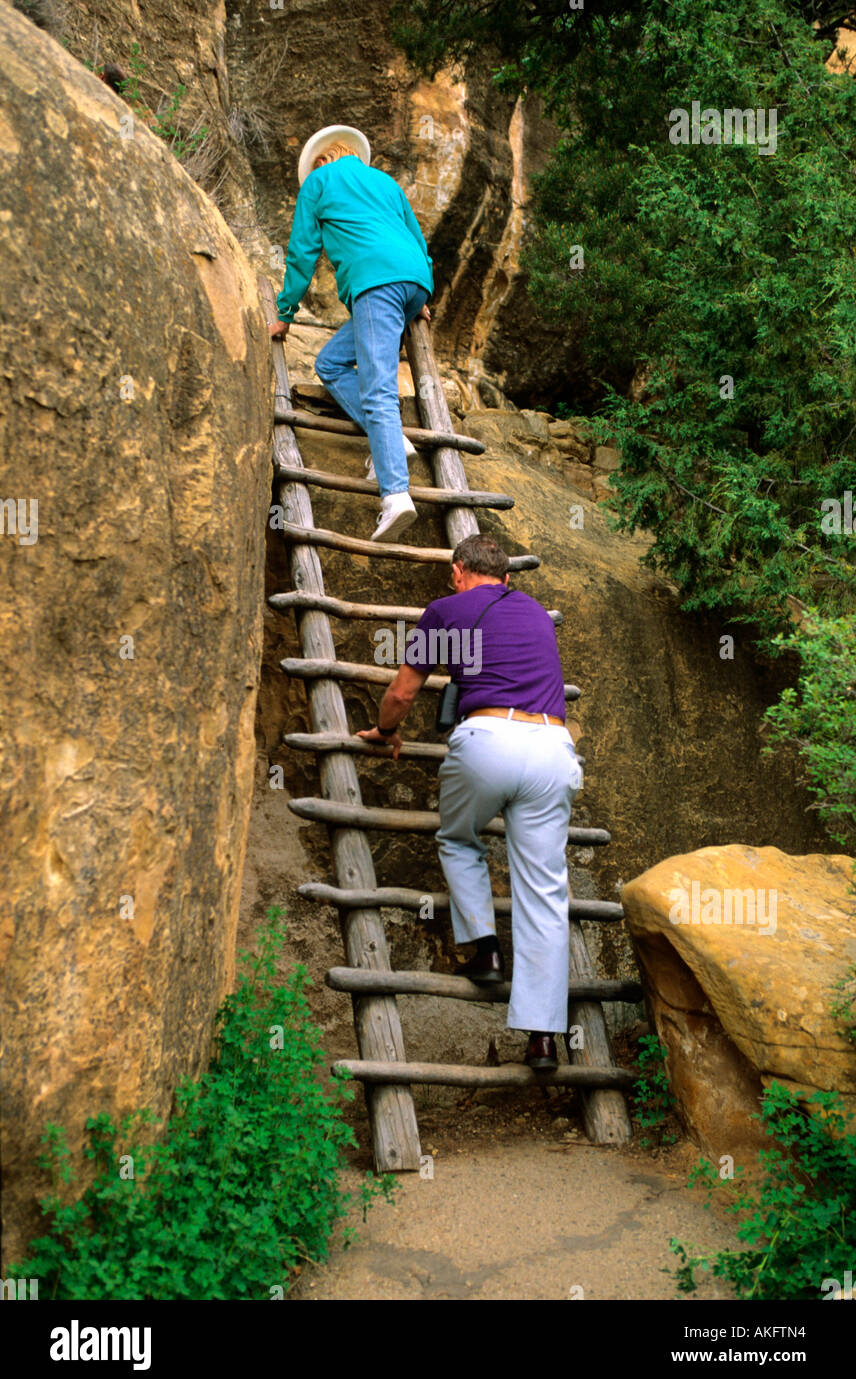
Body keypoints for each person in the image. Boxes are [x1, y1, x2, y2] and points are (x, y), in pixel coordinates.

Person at [357, 534, 584, 1071]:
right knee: (545, 893)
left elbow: (403, 693)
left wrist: (386, 731)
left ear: (459, 572)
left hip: (488, 742)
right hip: (553, 748)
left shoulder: (446, 611)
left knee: (459, 837)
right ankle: (542, 1038)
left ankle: (484, 947)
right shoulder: (534, 613)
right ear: (506, 578)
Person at [268, 125, 434, 542]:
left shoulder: (318, 183)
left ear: (320, 161)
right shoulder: (385, 182)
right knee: (330, 363)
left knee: (378, 390)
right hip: (413, 282)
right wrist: (420, 291)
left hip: (375, 284)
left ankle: (395, 496)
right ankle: (391, 440)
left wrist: (285, 312)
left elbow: (302, 251)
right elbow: (417, 237)